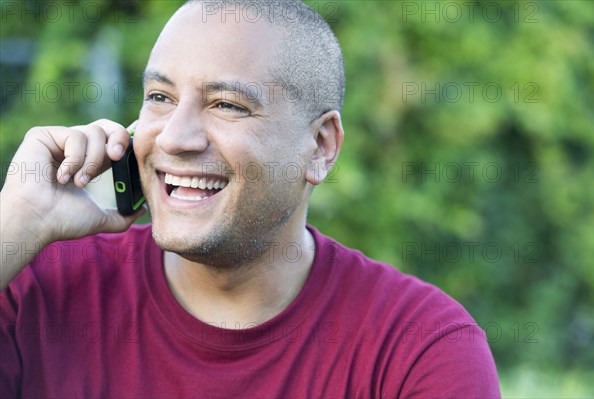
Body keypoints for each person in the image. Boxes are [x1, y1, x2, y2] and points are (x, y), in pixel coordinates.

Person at [0, 0, 501, 397]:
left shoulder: (418, 349)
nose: (175, 138)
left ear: (320, 146)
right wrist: (15, 222)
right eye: (160, 98)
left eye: (227, 105)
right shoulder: (35, 289)